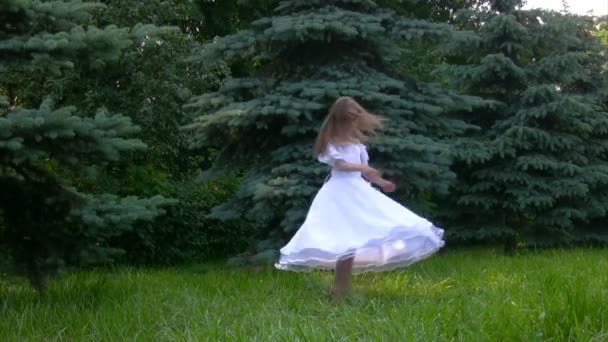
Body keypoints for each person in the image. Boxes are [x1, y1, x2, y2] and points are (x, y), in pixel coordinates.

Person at [275, 97, 445, 297]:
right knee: (344, 237)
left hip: (358, 190)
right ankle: (340, 289)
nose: (352, 126)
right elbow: (339, 165)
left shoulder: (357, 146)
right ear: (339, 121)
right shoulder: (332, 144)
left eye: (354, 121)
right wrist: (363, 167)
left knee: (354, 239)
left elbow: (367, 174)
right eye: (348, 121)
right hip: (338, 193)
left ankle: (341, 288)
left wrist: (382, 183)